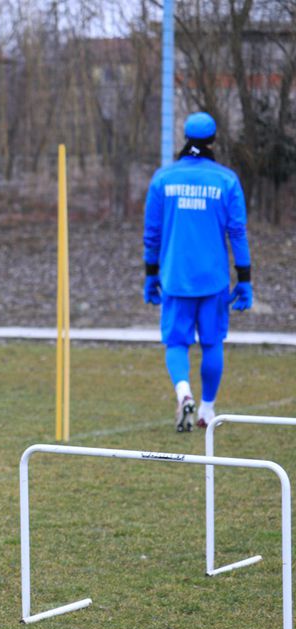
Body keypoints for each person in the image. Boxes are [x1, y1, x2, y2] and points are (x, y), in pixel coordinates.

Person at [142, 111, 253, 432]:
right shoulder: (226, 180)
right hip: (214, 280)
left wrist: (151, 275)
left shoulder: (163, 179)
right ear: (213, 140)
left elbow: (152, 233)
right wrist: (244, 279)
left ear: (185, 138)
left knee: (176, 343)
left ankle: (183, 392)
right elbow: (238, 233)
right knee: (212, 343)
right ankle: (206, 409)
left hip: (175, 279)